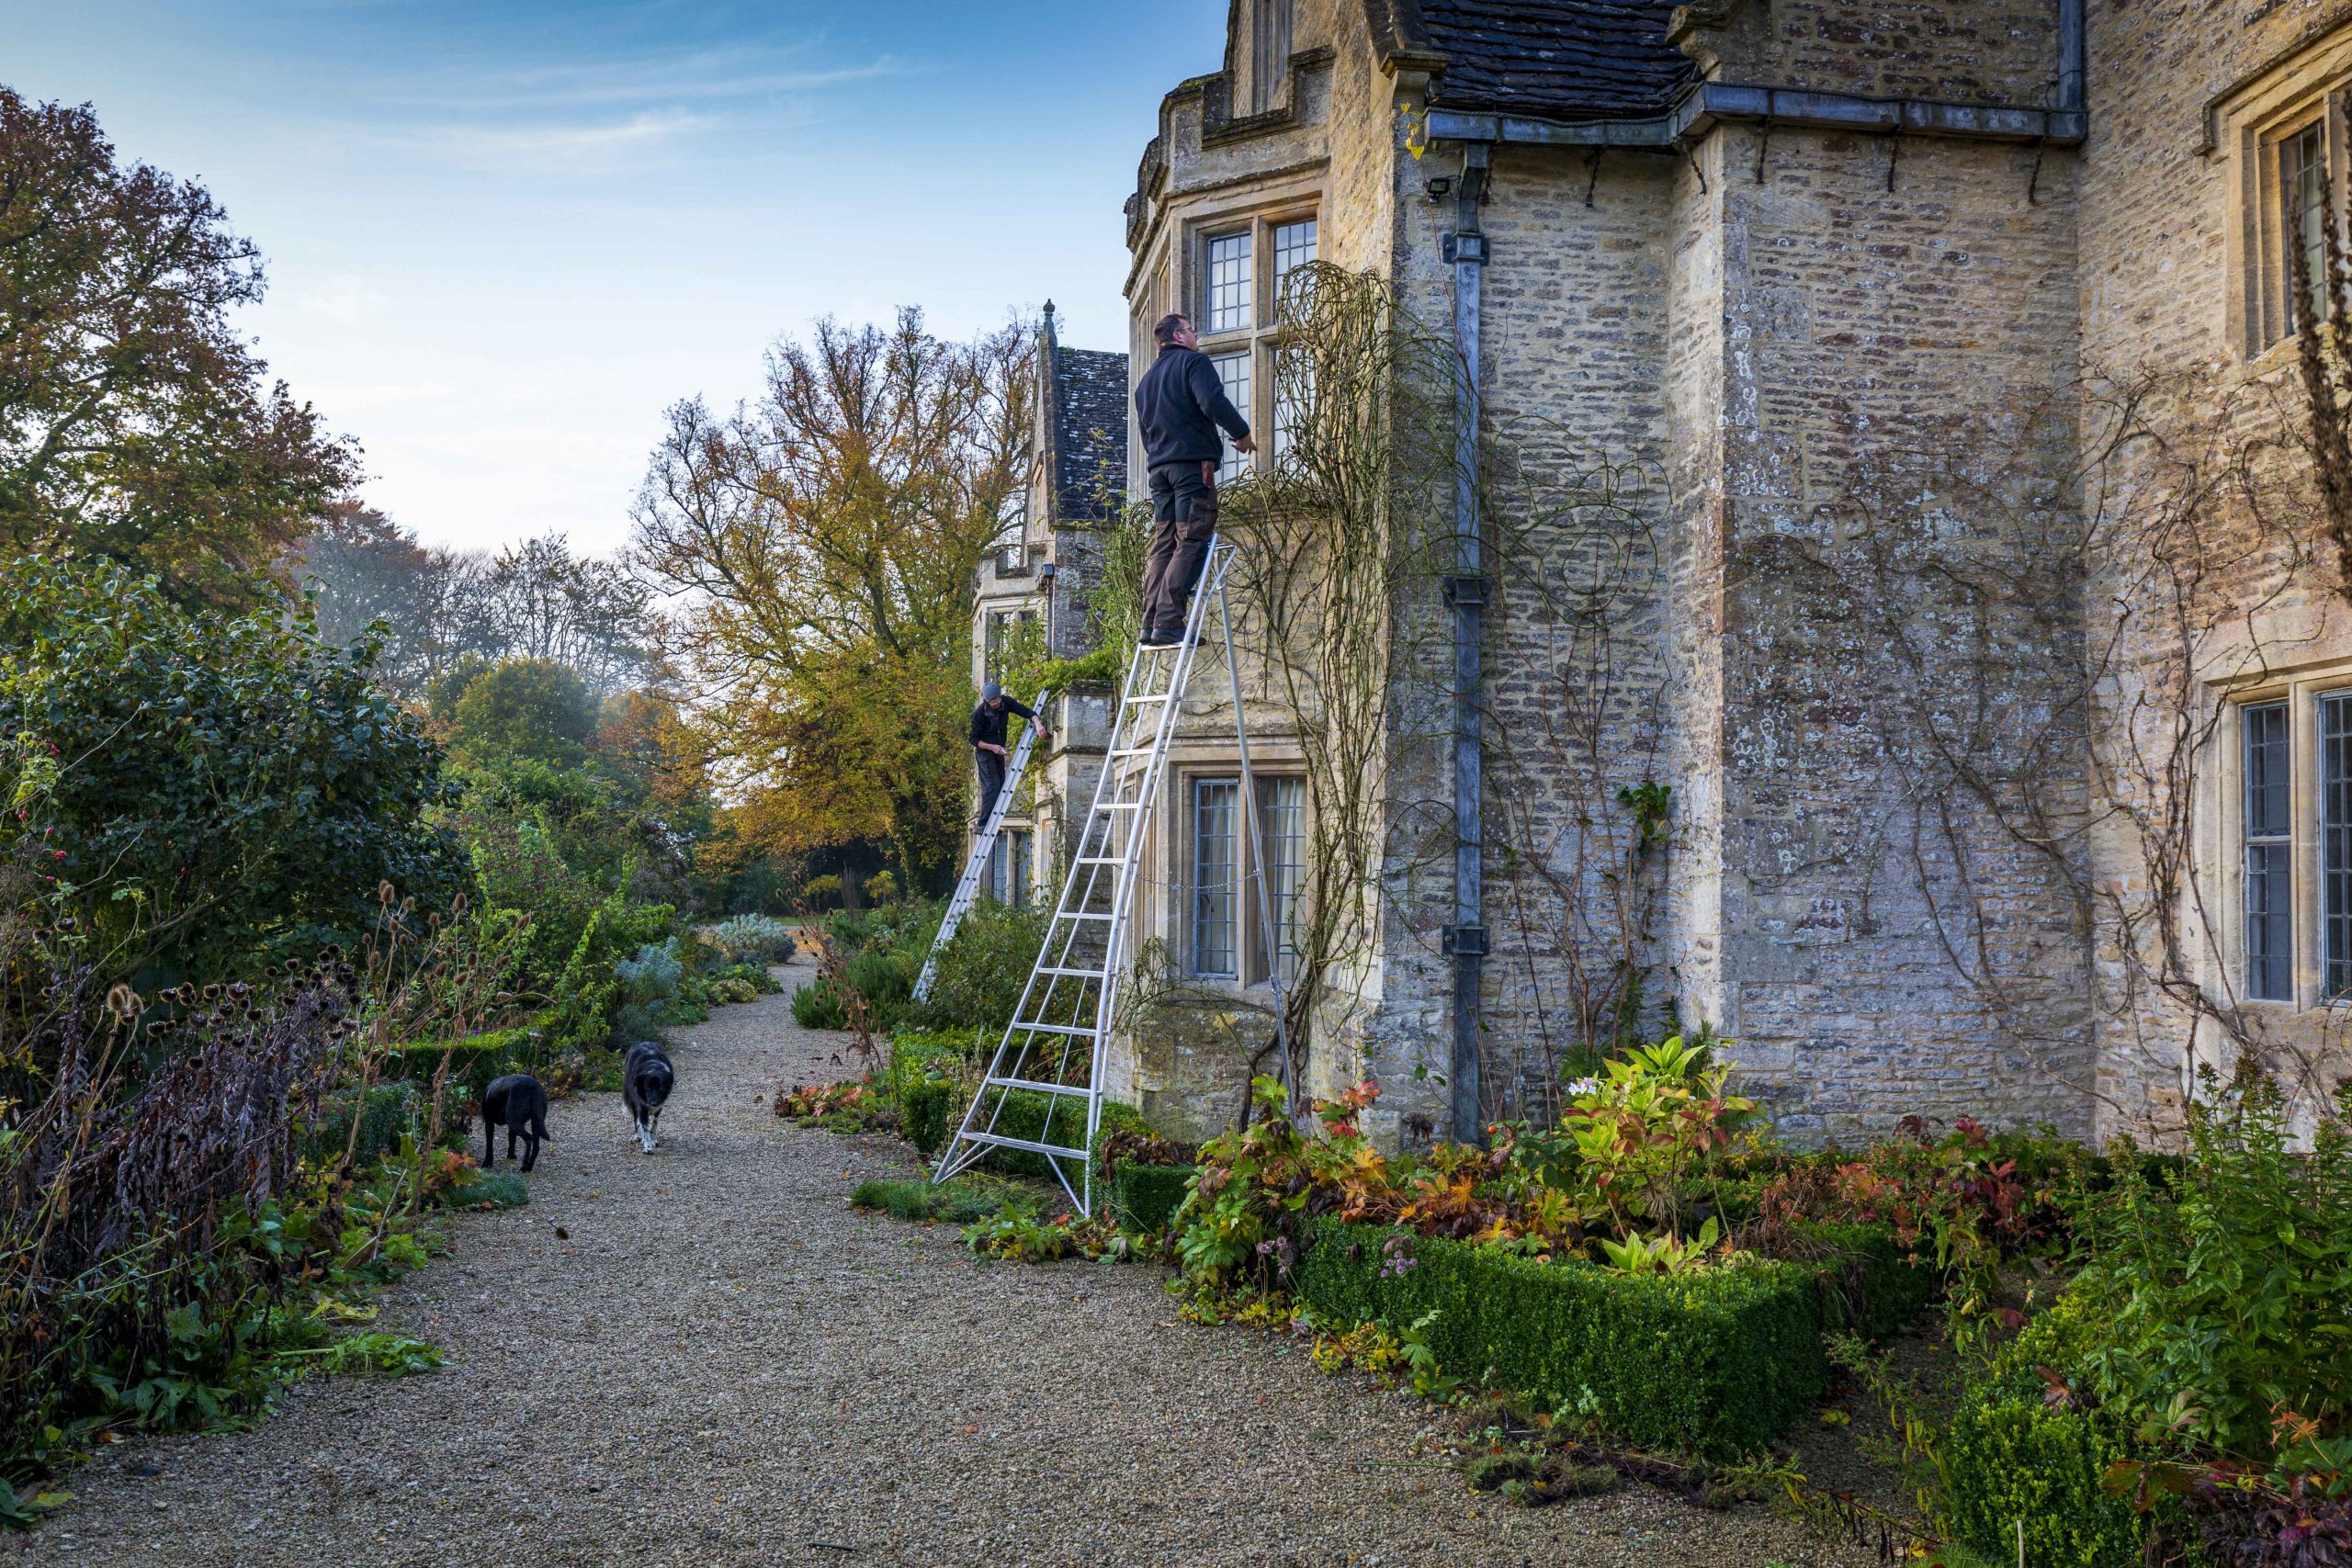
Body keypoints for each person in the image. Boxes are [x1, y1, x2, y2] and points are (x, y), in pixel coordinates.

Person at [1133, 312, 1254, 645]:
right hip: (1190, 470)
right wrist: (1242, 434)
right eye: (1191, 329)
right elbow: (1212, 401)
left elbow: (1146, 434)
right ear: (1177, 336)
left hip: (1160, 471)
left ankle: (1150, 623)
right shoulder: (1192, 363)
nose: (1196, 334)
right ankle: (1170, 623)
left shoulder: (1144, 384)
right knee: (1190, 540)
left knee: (1163, 544)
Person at [969, 681, 1044, 828]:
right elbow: (973, 739)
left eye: (998, 699)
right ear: (986, 701)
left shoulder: (1006, 702)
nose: (997, 702)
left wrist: (1038, 723)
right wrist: (991, 747)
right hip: (985, 753)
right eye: (993, 701)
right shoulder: (979, 714)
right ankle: (982, 824)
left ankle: (992, 824)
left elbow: (1026, 712)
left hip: (999, 751)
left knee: (1002, 786)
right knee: (992, 786)